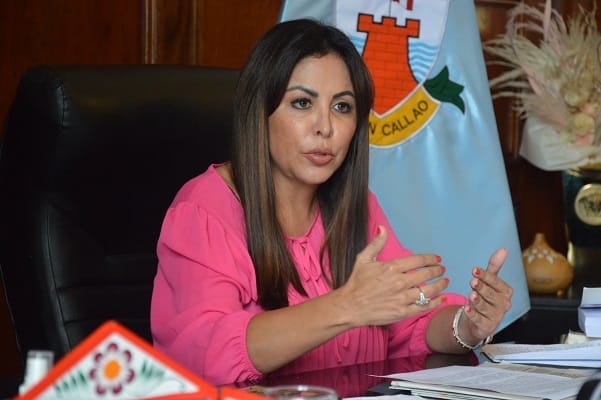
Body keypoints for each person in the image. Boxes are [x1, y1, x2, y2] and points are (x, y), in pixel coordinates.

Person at [150, 18, 513, 385]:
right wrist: (345, 306)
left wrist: (467, 325)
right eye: (302, 103)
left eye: (342, 107)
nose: (324, 127)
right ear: (259, 111)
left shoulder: (356, 205)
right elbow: (202, 356)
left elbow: (409, 321)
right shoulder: (204, 209)